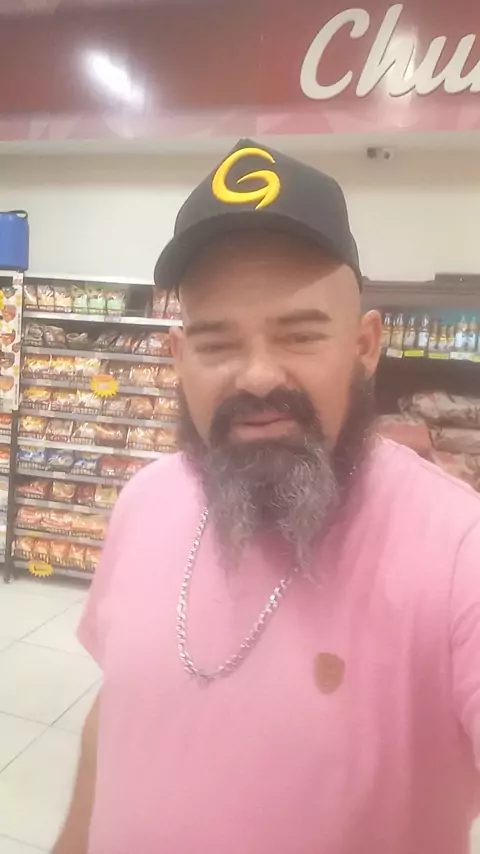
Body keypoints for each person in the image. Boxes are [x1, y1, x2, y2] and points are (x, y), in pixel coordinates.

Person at [53, 140, 480, 854]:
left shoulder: (458, 550)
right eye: (217, 343)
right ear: (178, 358)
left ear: (364, 346)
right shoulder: (143, 501)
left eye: (299, 335)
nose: (256, 376)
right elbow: (116, 717)